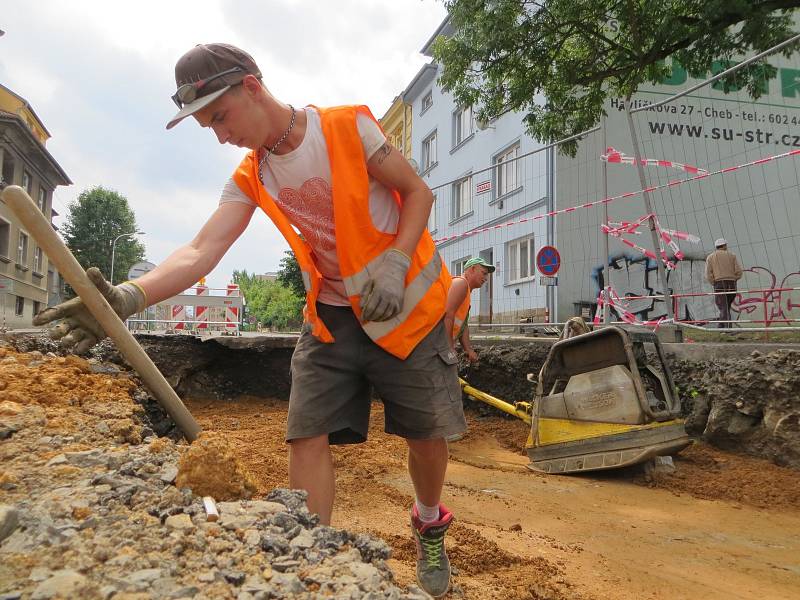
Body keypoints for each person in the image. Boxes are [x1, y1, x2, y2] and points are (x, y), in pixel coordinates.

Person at [33, 43, 464, 598]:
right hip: (332, 316)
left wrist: (398, 259)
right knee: (306, 434)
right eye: (207, 124)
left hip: (405, 306)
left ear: (253, 86)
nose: (218, 134)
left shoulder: (345, 129)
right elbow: (201, 250)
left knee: (427, 435)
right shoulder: (251, 176)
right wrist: (126, 296)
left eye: (220, 116)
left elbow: (416, 191)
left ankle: (428, 519)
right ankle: (312, 558)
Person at [443, 257, 494, 364]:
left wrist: (468, 350)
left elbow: (463, 325)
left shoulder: (466, 292)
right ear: (472, 269)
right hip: (436, 345)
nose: (486, 278)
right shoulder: (460, 283)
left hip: (440, 345)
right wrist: (449, 347)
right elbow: (448, 314)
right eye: (484, 273)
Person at [705, 238, 743, 328]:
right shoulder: (732, 256)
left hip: (719, 284)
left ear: (716, 247)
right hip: (732, 284)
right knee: (726, 306)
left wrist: (713, 282)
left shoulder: (710, 257)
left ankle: (728, 329)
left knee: (723, 307)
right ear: (725, 246)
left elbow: (708, 274)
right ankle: (721, 327)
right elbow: (739, 272)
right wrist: (734, 279)